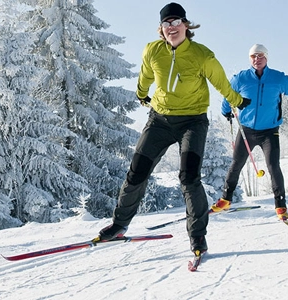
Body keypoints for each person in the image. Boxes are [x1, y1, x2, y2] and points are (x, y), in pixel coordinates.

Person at [96, 2, 250, 258]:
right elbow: (146, 74)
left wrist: (236, 100)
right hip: (159, 121)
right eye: (167, 23)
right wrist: (142, 94)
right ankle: (119, 225)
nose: (172, 27)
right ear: (161, 29)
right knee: (137, 173)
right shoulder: (153, 50)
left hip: (193, 122)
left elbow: (220, 82)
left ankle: (198, 236)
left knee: (189, 178)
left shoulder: (202, 55)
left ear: (186, 26)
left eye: (176, 21)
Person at [212, 44, 288, 221]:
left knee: (273, 166)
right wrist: (225, 110)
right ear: (250, 59)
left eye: (260, 56)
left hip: (270, 131)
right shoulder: (241, 78)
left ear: (266, 58)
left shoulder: (277, 78)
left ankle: (281, 206)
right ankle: (225, 199)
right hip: (247, 130)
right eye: (253, 56)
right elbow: (228, 93)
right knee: (236, 164)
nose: (257, 59)